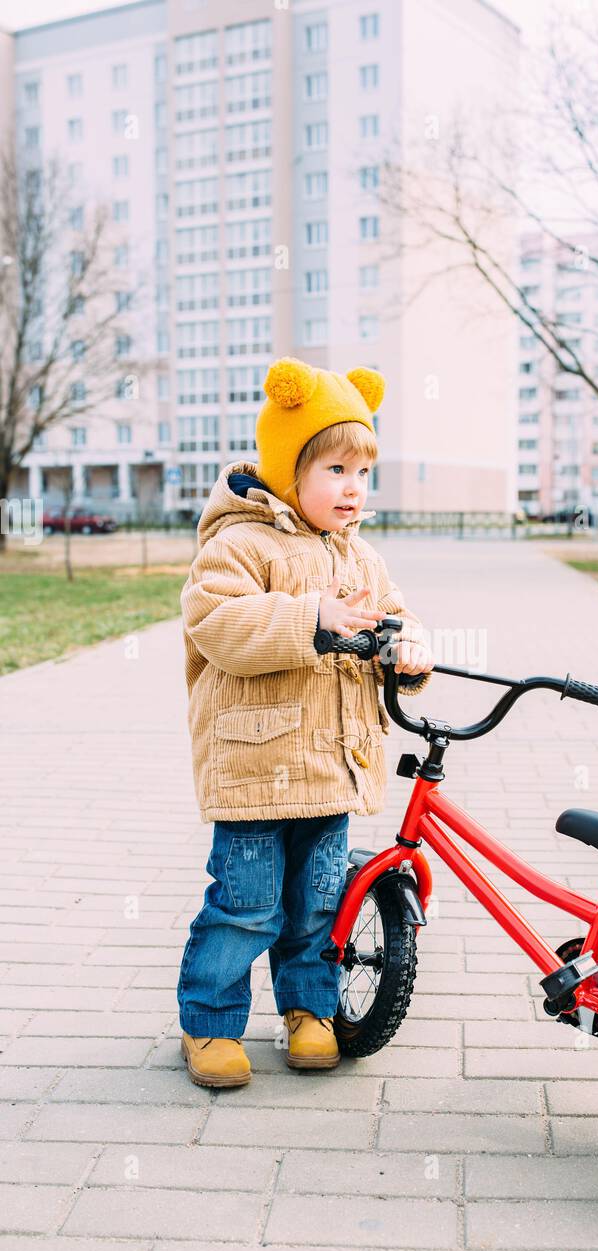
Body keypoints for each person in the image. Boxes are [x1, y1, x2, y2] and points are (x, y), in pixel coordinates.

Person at [177, 357, 434, 1087]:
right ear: (290, 470)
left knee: (320, 909)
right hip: (258, 770)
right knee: (246, 907)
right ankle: (210, 1022)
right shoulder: (239, 544)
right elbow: (216, 624)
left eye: (362, 471)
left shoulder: (363, 558)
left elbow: (393, 620)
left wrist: (408, 652)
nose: (353, 488)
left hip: (333, 770)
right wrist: (308, 616)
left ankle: (310, 1011)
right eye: (335, 469)